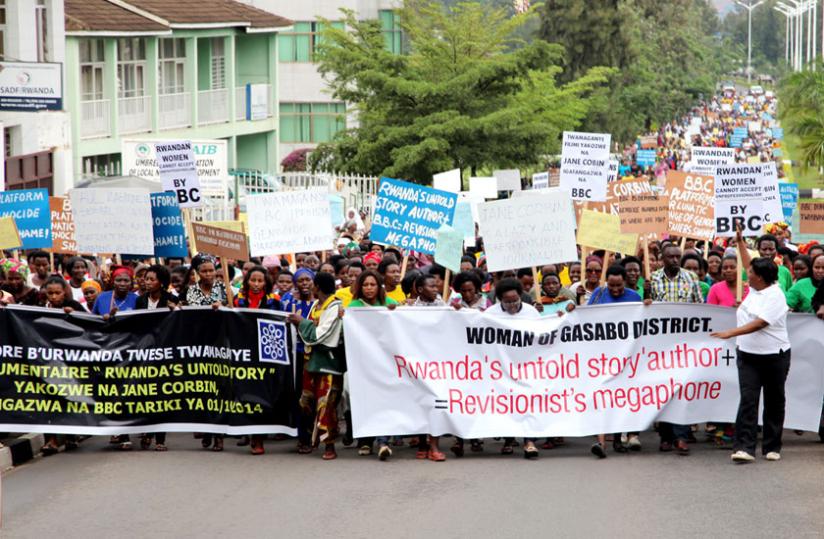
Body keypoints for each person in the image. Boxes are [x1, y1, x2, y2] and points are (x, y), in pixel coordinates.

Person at [712, 255, 790, 463]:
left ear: (761, 277)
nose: (747, 273)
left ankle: (772, 447)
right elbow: (747, 262)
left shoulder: (775, 295)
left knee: (774, 400)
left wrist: (731, 332)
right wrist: (739, 242)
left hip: (775, 356)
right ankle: (744, 448)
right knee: (748, 399)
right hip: (747, 355)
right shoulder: (755, 289)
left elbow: (761, 323)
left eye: (751, 272)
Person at [578, 265, 641, 457]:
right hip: (602, 354)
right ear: (606, 282)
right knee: (602, 397)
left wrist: (647, 304)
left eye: (619, 285)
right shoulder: (598, 294)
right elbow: (586, 318)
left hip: (626, 354)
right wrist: (575, 306)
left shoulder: (634, 297)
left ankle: (617, 440)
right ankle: (601, 443)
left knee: (620, 397)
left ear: (625, 282)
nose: (615, 289)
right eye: (611, 285)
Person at [647, 244, 703, 455]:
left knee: (681, 389)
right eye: (670, 257)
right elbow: (647, 311)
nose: (675, 260)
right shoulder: (653, 278)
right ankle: (666, 436)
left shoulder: (691, 278)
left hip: (684, 343)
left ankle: (681, 436)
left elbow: (700, 307)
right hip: (661, 345)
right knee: (664, 389)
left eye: (677, 257)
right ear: (662, 258)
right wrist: (646, 298)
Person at [287, 272, 345, 460]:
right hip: (311, 363)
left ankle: (329, 445)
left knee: (326, 404)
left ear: (317, 287)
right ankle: (311, 438)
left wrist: (301, 322)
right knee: (306, 402)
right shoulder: (316, 305)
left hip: (328, 364)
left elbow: (320, 335)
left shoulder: (335, 307)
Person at [484, 278, 541, 459]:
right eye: (507, 302)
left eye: (515, 300)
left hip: (527, 366)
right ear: (500, 299)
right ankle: (508, 440)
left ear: (521, 296)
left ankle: (529, 441)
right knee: (506, 403)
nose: (512, 305)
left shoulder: (531, 312)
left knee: (528, 402)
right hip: (502, 367)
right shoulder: (491, 313)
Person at [347, 270, 399, 460]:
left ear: (379, 286)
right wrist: (342, 316)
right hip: (362, 363)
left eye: (373, 284)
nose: (369, 288)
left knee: (384, 400)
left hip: (385, 362)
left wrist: (398, 311)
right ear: (360, 287)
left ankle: (383, 442)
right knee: (365, 400)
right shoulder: (353, 307)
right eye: (365, 285)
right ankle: (366, 440)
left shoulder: (389, 303)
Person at [234, 265, 281, 455]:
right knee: (245, 393)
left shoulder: (274, 300)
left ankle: (259, 437)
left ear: (266, 282)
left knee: (262, 395)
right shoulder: (238, 300)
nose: (256, 284)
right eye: (253, 280)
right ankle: (249, 432)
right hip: (244, 353)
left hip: (266, 354)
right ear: (247, 282)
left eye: (260, 280)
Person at [183, 254, 228, 452]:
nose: (209, 274)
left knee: (219, 388)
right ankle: (207, 429)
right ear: (197, 273)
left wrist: (224, 306)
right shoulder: (191, 291)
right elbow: (193, 314)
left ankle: (219, 435)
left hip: (221, 344)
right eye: (204, 271)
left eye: (211, 270)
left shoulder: (224, 288)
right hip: (200, 344)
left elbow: (233, 309)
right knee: (203, 388)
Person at [39, 276, 84, 456]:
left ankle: (71, 435)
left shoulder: (73, 305)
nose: (54, 296)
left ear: (64, 292)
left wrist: (74, 314)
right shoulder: (39, 307)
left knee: (68, 398)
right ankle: (51, 440)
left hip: (70, 361)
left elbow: (90, 324)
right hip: (48, 361)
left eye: (57, 293)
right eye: (50, 293)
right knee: (48, 400)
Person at [134, 265, 177, 452]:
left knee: (161, 396)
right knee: (145, 395)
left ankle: (160, 438)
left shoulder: (171, 300)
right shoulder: (140, 300)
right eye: (146, 279)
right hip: (145, 353)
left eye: (152, 279)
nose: (148, 282)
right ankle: (147, 431)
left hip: (164, 354)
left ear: (162, 282)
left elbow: (180, 323)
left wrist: (176, 310)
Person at [280, 268, 316, 453]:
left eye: (307, 279)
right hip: (294, 355)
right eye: (300, 280)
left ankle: (313, 433)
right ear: (295, 283)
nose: (304, 283)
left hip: (314, 355)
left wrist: (302, 322)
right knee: (299, 396)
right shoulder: (287, 302)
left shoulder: (318, 304)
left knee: (312, 395)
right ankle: (302, 437)